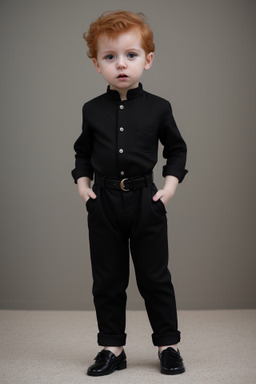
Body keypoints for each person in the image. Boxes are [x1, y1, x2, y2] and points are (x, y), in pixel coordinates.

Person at [71, 10, 188, 376]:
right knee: (107, 278)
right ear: (96, 64)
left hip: (145, 201)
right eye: (110, 57)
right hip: (104, 203)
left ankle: (168, 345)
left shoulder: (158, 108)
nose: (121, 64)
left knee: (155, 277)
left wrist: (168, 188)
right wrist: (83, 185)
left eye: (131, 55)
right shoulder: (91, 110)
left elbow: (177, 149)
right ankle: (112, 347)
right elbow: (82, 152)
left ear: (148, 60)